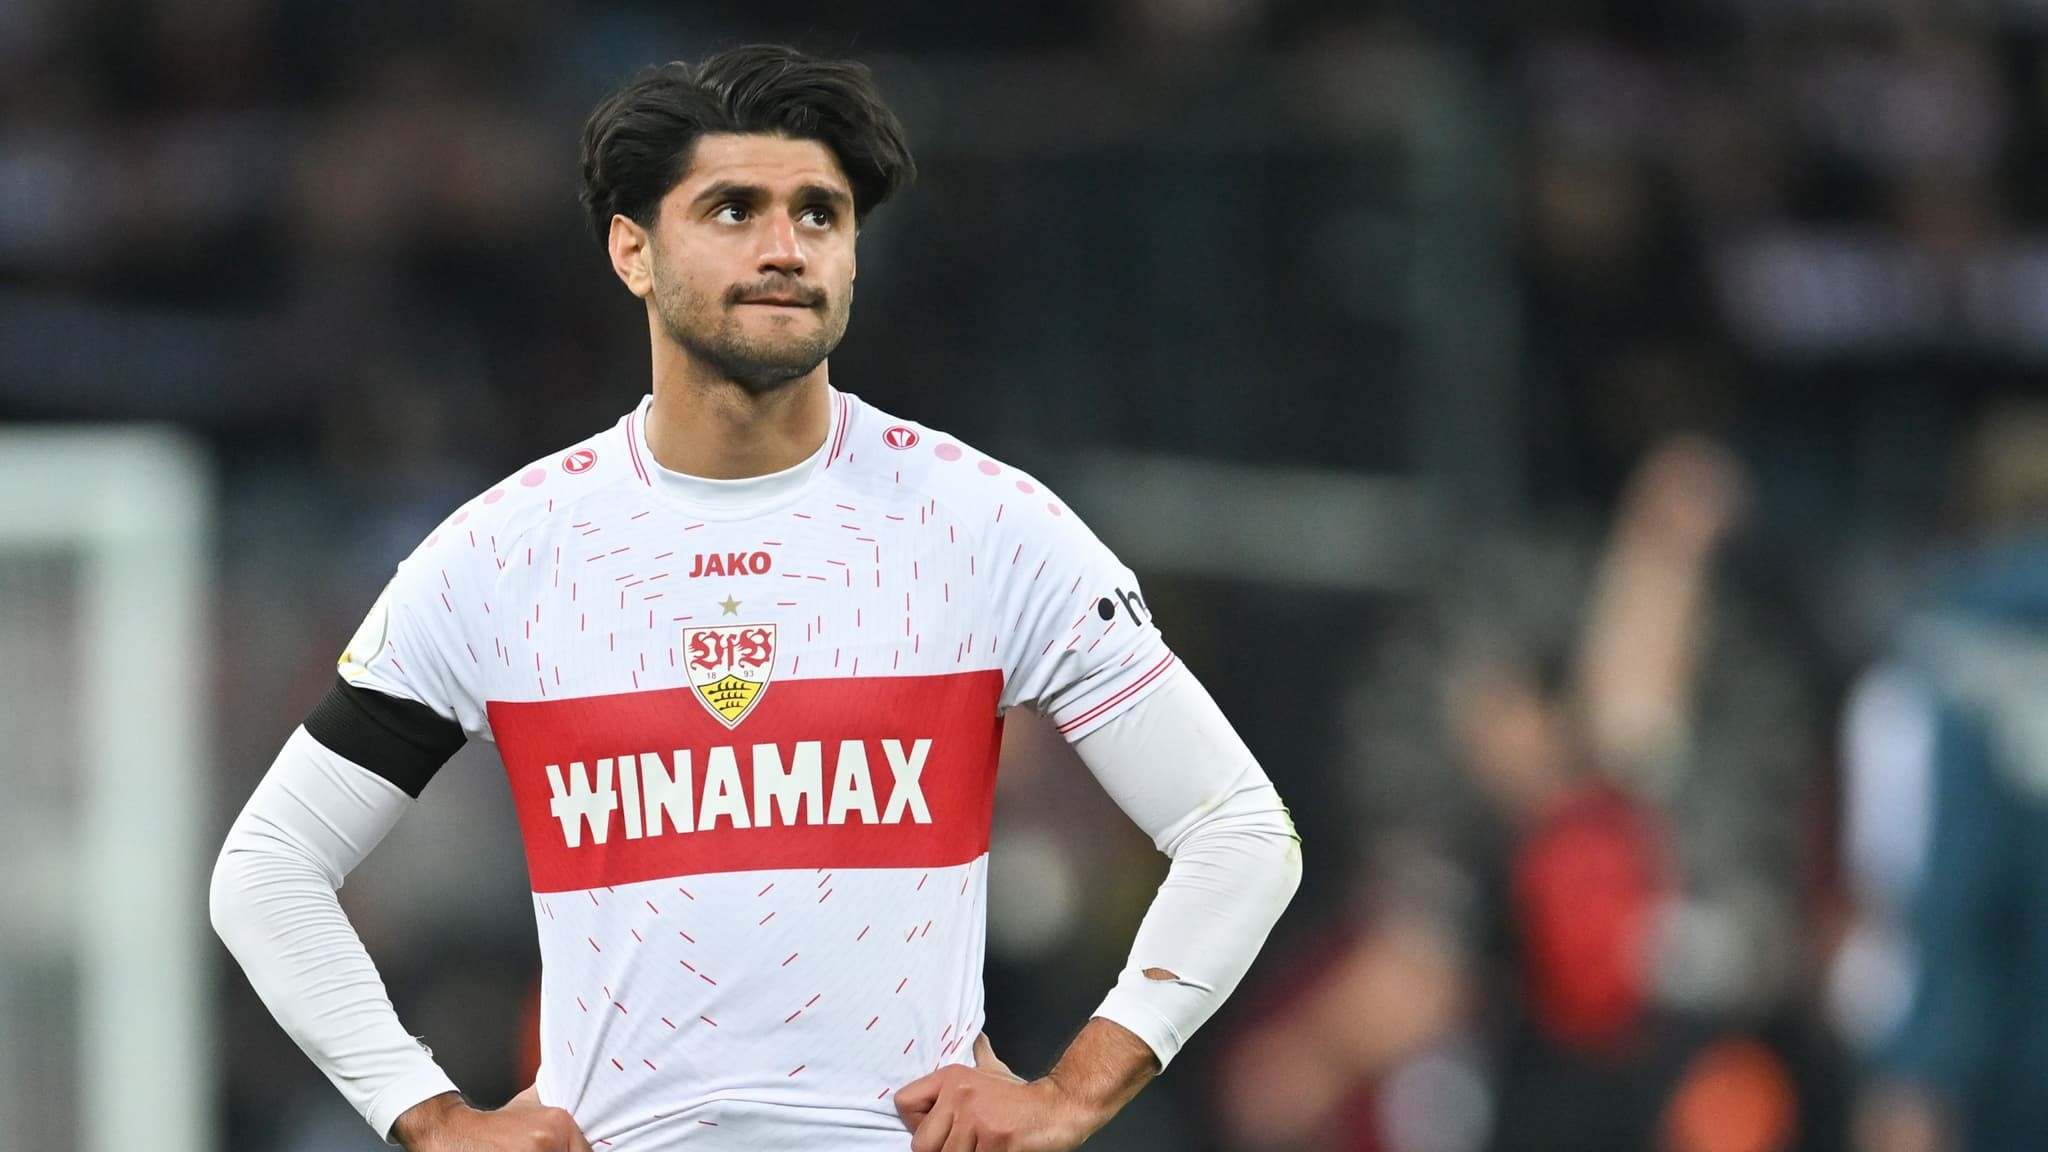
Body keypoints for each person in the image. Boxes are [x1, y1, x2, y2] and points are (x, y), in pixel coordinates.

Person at [209, 44, 1302, 1152]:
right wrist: (431, 1118)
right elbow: (268, 872)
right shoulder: (504, 555)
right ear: (630, 249)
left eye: (819, 215)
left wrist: (1076, 1091)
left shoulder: (986, 528)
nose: (785, 248)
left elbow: (1238, 830)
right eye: (733, 210)